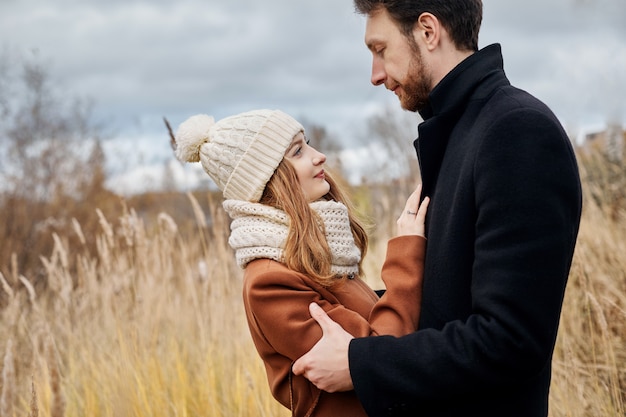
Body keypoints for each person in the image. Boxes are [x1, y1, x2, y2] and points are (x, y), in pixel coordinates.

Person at [292, 1, 583, 416]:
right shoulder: (461, 132)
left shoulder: (517, 131)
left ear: (428, 31)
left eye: (380, 49)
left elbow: (511, 341)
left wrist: (359, 363)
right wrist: (311, 303)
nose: (375, 75)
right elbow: (447, 306)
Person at [171, 109, 430, 417]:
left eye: (306, 144)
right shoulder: (270, 282)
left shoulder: (314, 256)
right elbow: (380, 354)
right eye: (298, 151)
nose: (319, 156)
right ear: (269, 181)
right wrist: (408, 252)